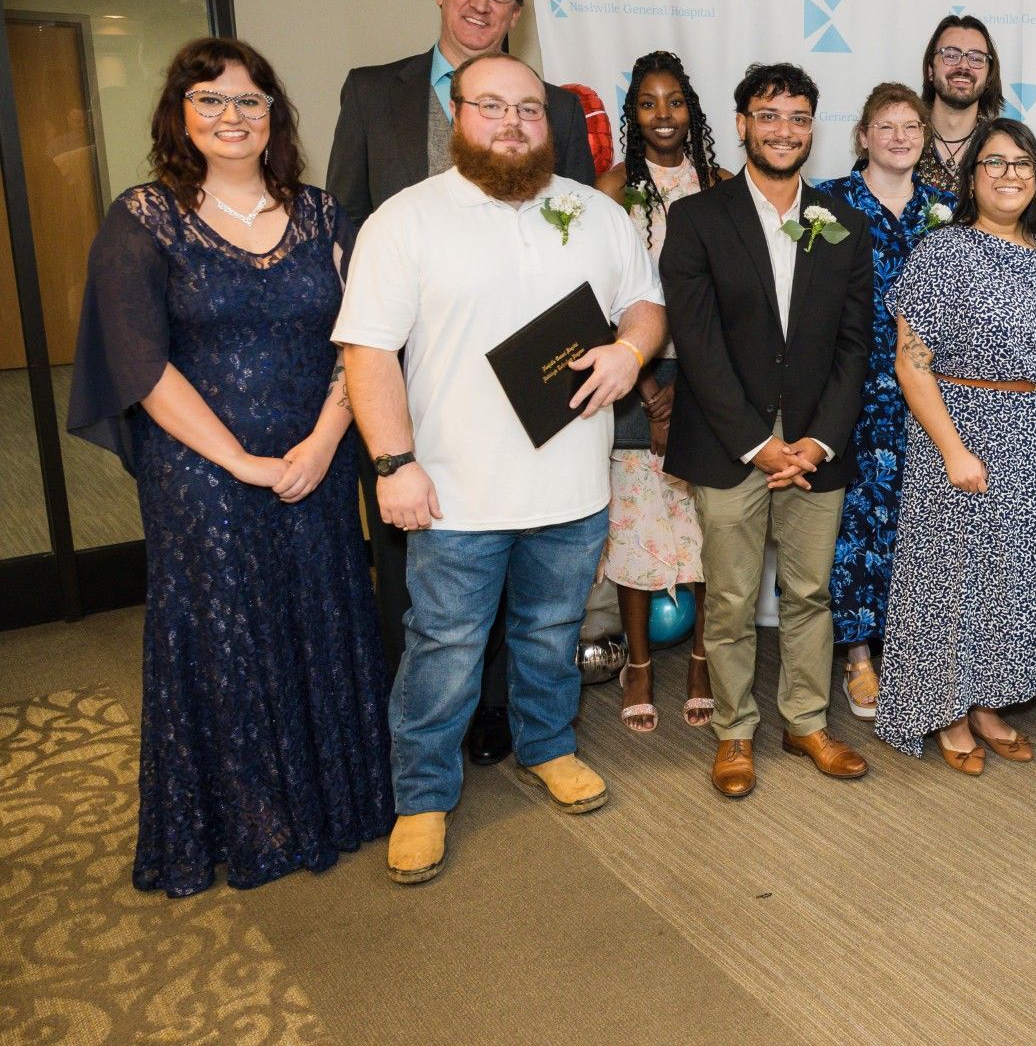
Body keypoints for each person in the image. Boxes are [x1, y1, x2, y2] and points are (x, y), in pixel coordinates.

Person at [67, 37, 391, 896]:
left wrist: (324, 443)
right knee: (225, 636)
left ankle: (336, 805)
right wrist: (241, 462)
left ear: (274, 115)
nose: (231, 116)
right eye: (209, 99)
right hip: (202, 474)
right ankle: (248, 822)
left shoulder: (325, 217)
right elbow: (141, 364)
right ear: (181, 116)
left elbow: (361, 343)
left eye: (249, 101)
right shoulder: (143, 218)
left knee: (321, 614)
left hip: (315, 460)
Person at [335, 52, 665, 883]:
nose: (513, 123)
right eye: (493, 106)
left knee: (550, 635)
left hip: (573, 488)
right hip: (452, 490)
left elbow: (647, 304)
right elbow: (367, 354)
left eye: (529, 108)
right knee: (443, 648)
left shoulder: (597, 213)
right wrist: (393, 465)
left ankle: (547, 748)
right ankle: (421, 796)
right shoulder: (404, 221)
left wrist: (631, 352)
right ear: (459, 114)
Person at [325, 0, 596, 770]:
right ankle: (422, 738)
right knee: (428, 581)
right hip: (415, 368)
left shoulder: (549, 106)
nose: (483, 4)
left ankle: (504, 713)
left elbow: (578, 221)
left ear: (518, 11)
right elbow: (345, 222)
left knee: (537, 572)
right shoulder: (376, 91)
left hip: (533, 374)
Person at [659, 62, 873, 800]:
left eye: (799, 117)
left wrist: (815, 441)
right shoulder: (695, 218)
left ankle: (806, 722)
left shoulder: (844, 223)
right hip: (729, 443)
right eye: (770, 114)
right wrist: (758, 443)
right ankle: (734, 733)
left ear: (814, 128)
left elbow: (856, 345)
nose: (785, 129)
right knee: (731, 596)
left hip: (817, 442)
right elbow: (696, 341)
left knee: (811, 593)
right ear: (744, 122)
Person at [877, 119, 1036, 772]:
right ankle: (947, 712)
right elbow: (912, 365)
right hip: (969, 434)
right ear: (971, 177)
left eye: (1023, 163)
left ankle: (989, 700)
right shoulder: (942, 251)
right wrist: (953, 451)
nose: (1010, 175)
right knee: (954, 582)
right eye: (994, 163)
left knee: (1013, 583)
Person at [592, 51, 731, 733]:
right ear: (633, 113)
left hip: (708, 379)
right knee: (636, 525)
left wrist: (697, 390)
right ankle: (640, 664)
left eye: (674, 101)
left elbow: (739, 300)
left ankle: (702, 657)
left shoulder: (722, 184)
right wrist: (650, 394)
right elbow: (597, 300)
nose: (664, 116)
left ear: (692, 109)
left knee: (706, 525)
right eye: (648, 103)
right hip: (630, 374)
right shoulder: (612, 189)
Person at [815, 83, 953, 719]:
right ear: (863, 135)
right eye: (886, 126)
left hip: (932, 398)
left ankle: (912, 649)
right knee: (855, 527)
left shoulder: (947, 210)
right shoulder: (826, 206)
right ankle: (860, 657)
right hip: (853, 392)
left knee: (920, 526)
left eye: (911, 127)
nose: (899, 137)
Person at [914, 14, 1003, 196]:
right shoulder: (903, 140)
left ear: (989, 76)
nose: (963, 66)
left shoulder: (1003, 146)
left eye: (977, 58)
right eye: (951, 55)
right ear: (931, 70)